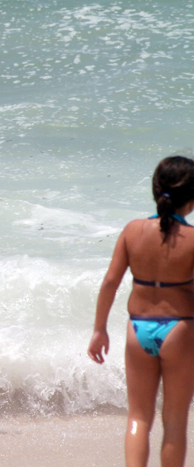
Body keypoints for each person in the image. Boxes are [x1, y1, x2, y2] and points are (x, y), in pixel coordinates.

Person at [88, 155, 194, 467]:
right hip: (181, 329)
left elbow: (110, 282)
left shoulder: (132, 231)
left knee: (138, 418)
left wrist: (99, 329)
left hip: (137, 330)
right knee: (174, 422)